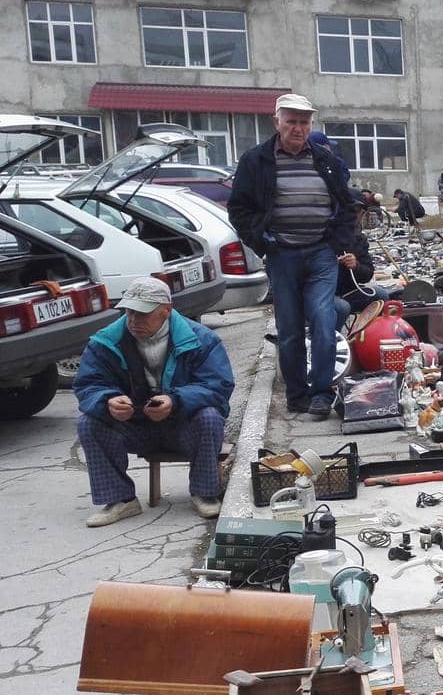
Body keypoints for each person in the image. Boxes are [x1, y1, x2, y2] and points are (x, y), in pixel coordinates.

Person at [228, 92, 356, 419]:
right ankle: (297, 395)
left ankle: (321, 393)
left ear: (311, 124)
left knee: (324, 320)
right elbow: (239, 209)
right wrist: (261, 241)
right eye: (291, 121)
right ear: (277, 122)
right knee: (290, 329)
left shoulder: (326, 159)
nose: (298, 128)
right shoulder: (256, 160)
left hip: (320, 253)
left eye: (304, 122)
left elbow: (346, 202)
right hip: (282, 254)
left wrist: (337, 241)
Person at [73, 278, 234, 527]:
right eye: (129, 312)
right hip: (134, 426)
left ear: (166, 310)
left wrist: (175, 400)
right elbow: (88, 385)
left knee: (209, 416)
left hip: (181, 425)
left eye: (143, 314)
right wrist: (108, 401)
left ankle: (204, 492)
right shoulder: (105, 341)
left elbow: (218, 386)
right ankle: (120, 500)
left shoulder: (201, 339)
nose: (134, 321)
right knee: (88, 422)